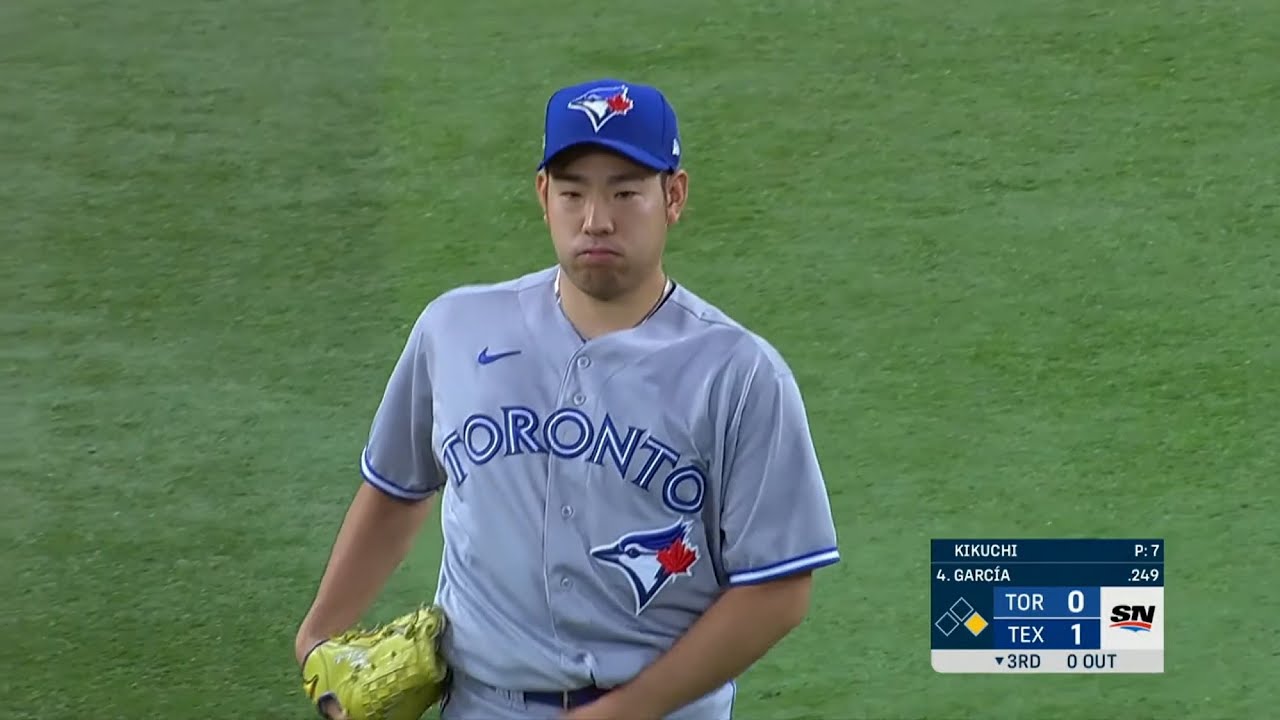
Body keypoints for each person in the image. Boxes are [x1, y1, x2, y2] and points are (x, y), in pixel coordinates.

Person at [294, 77, 841, 720]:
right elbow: (396, 487)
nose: (595, 220)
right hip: (479, 704)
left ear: (674, 196)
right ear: (542, 195)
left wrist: (623, 711)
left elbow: (779, 589)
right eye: (572, 192)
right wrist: (317, 637)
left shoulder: (738, 373)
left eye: (625, 193)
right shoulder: (455, 328)